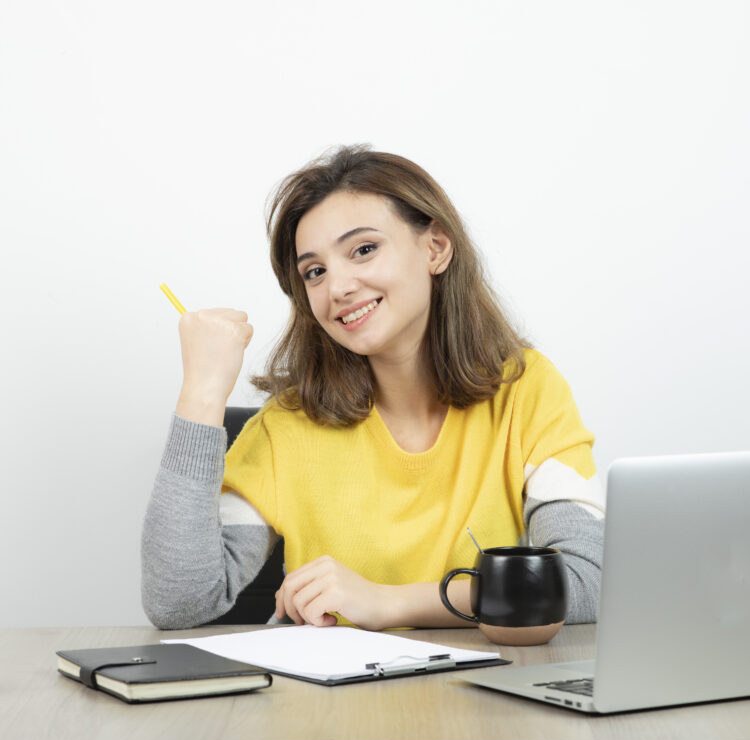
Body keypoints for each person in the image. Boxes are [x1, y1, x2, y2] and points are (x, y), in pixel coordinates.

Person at [141, 144, 605, 631]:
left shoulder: (526, 391)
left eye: (363, 249)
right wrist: (203, 389)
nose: (337, 287)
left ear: (436, 248)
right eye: (314, 271)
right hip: (324, 704)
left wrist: (391, 603)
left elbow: (586, 581)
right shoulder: (287, 429)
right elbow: (179, 602)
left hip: (480, 700)